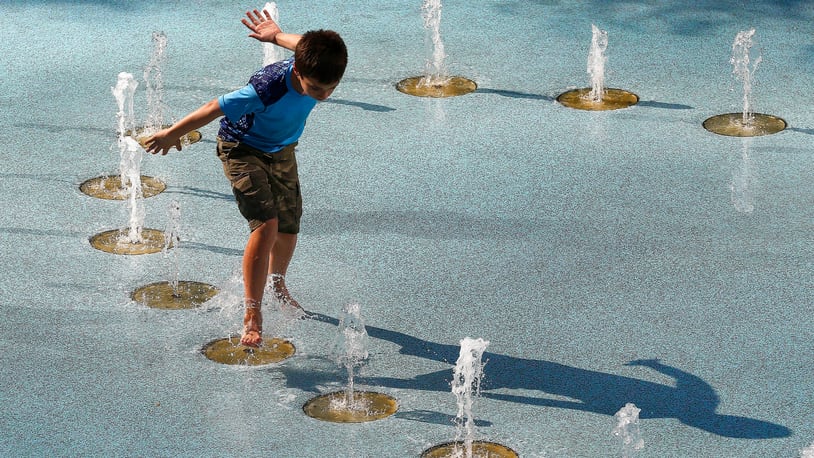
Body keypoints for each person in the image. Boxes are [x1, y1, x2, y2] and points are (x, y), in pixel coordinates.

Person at [145, 9, 347, 348]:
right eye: (316, 89)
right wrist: (170, 133)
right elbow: (214, 107)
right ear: (298, 71)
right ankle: (252, 313)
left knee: (288, 225)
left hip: (282, 148)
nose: (324, 95)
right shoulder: (266, 90)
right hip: (241, 148)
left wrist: (275, 35)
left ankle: (277, 284)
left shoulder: (321, 62)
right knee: (266, 224)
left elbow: (301, 44)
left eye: (331, 89)